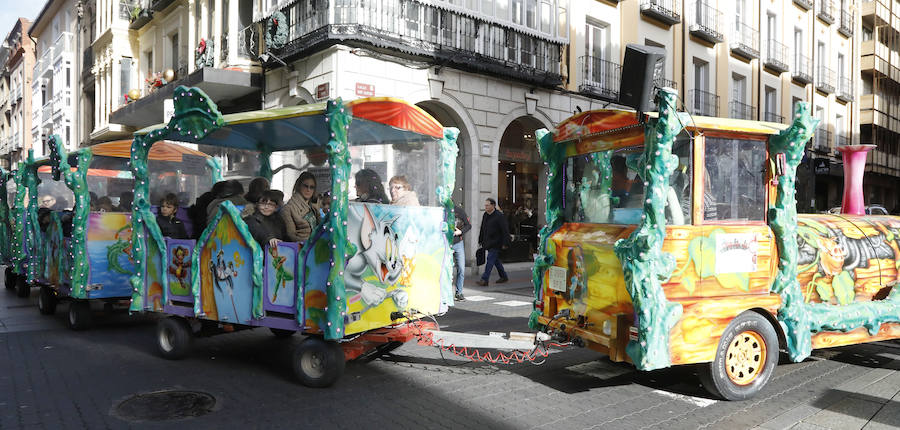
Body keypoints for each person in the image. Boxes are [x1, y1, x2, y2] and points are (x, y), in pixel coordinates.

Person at [476, 198, 510, 286]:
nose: (485, 207)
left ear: (493, 205)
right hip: (487, 241)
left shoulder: (499, 216)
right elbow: (482, 228)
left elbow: (505, 230)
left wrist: (505, 243)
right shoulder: (485, 215)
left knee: (490, 259)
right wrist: (480, 240)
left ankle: (485, 279)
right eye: (485, 205)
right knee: (495, 260)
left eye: (487, 205)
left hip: (496, 242)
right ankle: (503, 276)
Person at [282, 172, 320, 242]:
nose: (308, 190)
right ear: (299, 186)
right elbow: (291, 236)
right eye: (306, 186)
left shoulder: (314, 208)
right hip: (300, 248)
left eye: (312, 187)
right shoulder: (288, 208)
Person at [452, 203, 471, 301]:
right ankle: (446, 293)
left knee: (461, 269)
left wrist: (461, 232)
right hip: (447, 243)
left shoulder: (459, 211)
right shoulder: (442, 211)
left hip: (458, 243)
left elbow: (468, 225)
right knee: (448, 270)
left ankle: (459, 292)